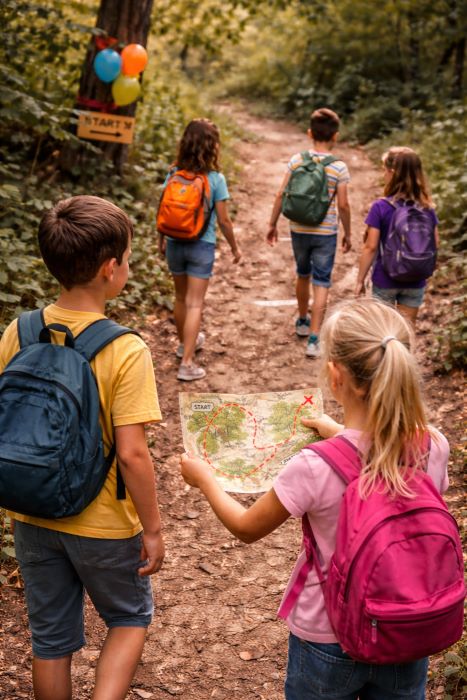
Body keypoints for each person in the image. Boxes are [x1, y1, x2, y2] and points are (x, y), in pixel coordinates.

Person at [179, 298, 449, 699]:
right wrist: (339, 430)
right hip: (404, 626)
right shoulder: (433, 445)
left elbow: (245, 527)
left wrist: (206, 480)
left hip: (328, 635)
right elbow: (383, 465)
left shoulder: (313, 466)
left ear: (335, 375)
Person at [0, 196, 165, 700]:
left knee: (50, 640)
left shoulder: (20, 331)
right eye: (129, 258)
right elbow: (133, 454)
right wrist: (153, 529)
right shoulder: (124, 348)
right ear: (111, 268)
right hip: (104, 524)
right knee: (129, 616)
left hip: (30, 511)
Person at [159, 118, 241, 381]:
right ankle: (187, 363)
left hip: (174, 243)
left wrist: (160, 240)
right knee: (195, 304)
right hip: (201, 246)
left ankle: (185, 344)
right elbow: (225, 221)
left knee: (180, 298)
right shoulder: (215, 179)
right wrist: (235, 248)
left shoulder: (173, 174)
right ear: (212, 147)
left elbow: (162, 210)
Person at [267, 107, 352, 358]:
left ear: (309, 133)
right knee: (322, 281)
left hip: (298, 228)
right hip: (325, 232)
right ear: (336, 136)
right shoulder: (339, 167)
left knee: (302, 274)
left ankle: (302, 320)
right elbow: (344, 205)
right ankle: (315, 338)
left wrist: (272, 224)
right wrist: (348, 232)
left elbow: (281, 193)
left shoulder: (297, 160)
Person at [355, 146, 439, 325]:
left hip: (385, 279)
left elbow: (370, 247)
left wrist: (360, 280)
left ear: (392, 173)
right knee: (406, 333)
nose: (383, 174)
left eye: (384, 170)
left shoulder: (380, 207)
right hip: (415, 280)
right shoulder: (427, 208)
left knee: (384, 332)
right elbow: (435, 243)